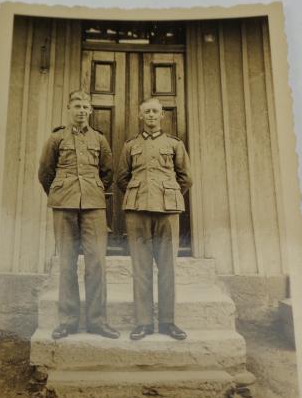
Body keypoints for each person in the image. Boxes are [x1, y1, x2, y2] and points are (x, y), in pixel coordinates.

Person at [38, 90, 119, 340]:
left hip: (94, 206)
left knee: (96, 263)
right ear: (69, 108)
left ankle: (97, 321)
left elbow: (107, 172)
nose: (81, 110)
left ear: (91, 111)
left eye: (85, 106)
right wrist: (61, 191)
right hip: (64, 205)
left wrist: (93, 191)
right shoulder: (56, 138)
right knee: (66, 264)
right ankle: (68, 321)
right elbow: (45, 173)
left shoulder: (99, 139)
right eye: (77, 106)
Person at [116, 97, 193, 340]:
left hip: (167, 211)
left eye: (155, 112)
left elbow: (186, 178)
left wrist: (166, 194)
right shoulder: (130, 145)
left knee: (167, 268)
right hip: (137, 211)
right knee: (141, 267)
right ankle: (143, 323)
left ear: (162, 116)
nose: (151, 115)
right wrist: (141, 195)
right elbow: (121, 177)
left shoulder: (174, 144)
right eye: (146, 112)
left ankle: (168, 322)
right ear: (140, 116)